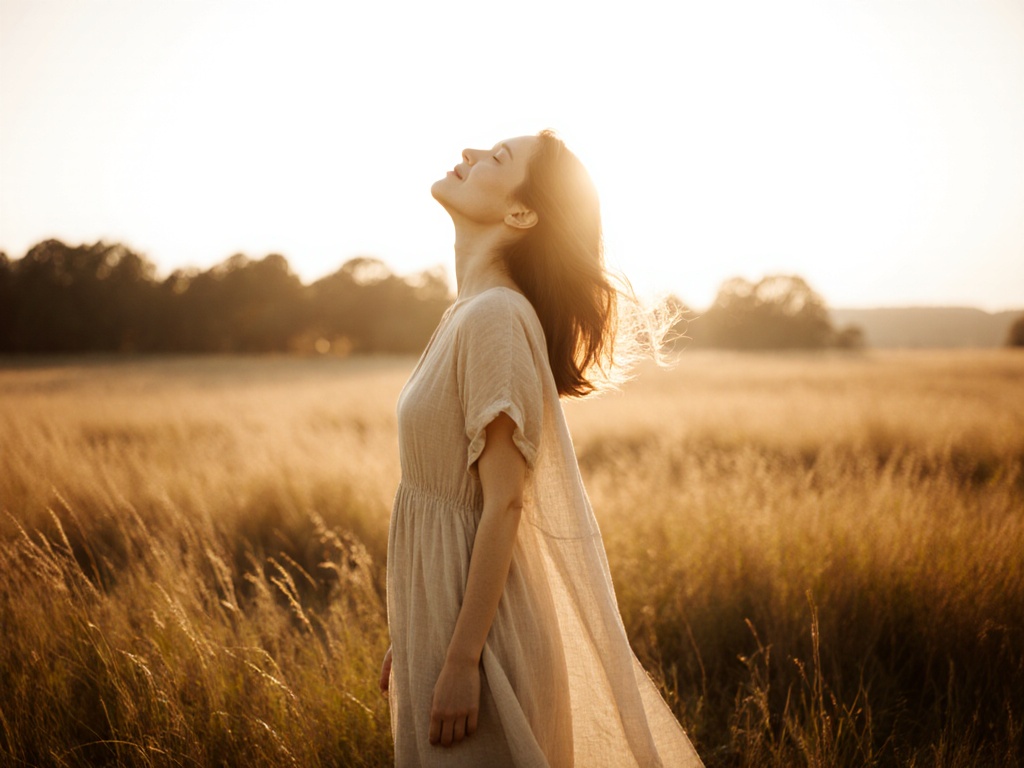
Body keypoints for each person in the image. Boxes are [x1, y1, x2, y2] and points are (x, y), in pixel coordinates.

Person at [379, 130, 703, 767]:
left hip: (485, 644)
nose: (469, 153)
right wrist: (419, 622)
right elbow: (452, 499)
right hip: (447, 621)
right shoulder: (465, 314)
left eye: (495, 157)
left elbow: (504, 504)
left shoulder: (496, 316)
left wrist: (461, 658)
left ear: (522, 214)